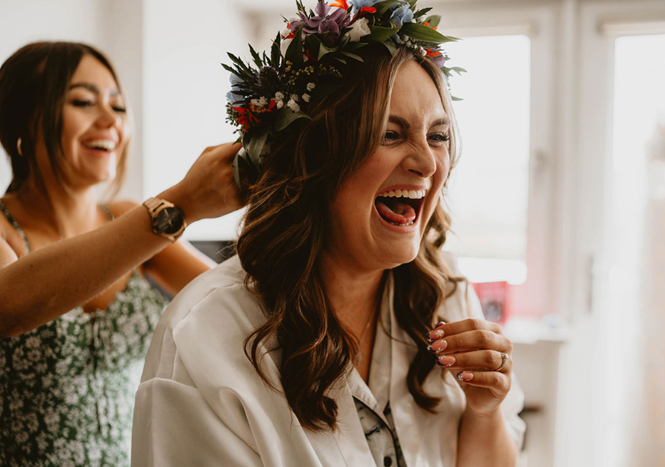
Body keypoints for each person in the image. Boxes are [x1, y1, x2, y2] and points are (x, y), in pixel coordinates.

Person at [133, 1, 526, 465]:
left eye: (438, 136)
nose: (426, 163)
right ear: (313, 159)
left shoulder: (445, 297)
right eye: (390, 133)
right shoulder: (205, 336)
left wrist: (484, 410)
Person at [0, 41, 242, 465]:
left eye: (119, 106)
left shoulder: (131, 219)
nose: (110, 120)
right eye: (82, 101)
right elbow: (7, 304)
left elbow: (232, 300)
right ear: (24, 118)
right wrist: (182, 202)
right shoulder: (7, 230)